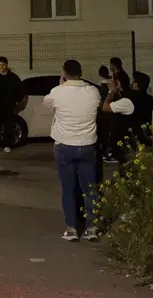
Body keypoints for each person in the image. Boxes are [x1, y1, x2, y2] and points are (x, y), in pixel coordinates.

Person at [43, 59, 102, 242]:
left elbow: (47, 105)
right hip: (87, 145)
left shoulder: (58, 92)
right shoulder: (93, 91)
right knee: (89, 188)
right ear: (81, 72)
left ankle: (71, 229)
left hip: (65, 146)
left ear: (64, 73)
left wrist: (61, 85)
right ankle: (91, 228)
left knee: (68, 188)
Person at [0, 56, 23, 152]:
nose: (1, 67)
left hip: (8, 107)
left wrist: (16, 101)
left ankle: (7, 145)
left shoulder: (13, 78)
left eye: (3, 65)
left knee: (8, 127)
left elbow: (20, 91)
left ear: (6, 65)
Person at [101, 72, 137, 164]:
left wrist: (111, 91)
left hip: (127, 145)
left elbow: (105, 107)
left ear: (118, 84)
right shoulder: (122, 98)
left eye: (112, 82)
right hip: (122, 144)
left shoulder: (125, 101)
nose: (109, 84)